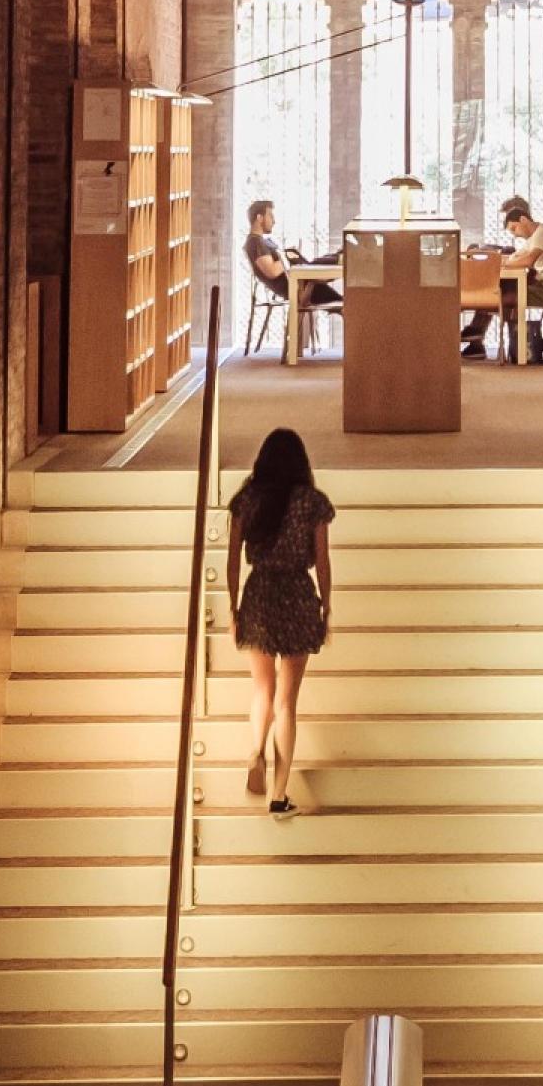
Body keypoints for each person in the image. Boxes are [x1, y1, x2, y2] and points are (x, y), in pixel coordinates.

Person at [226, 426, 334, 817]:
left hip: (258, 594)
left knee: (262, 692)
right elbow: (321, 561)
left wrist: (234, 606)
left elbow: (233, 560)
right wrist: (326, 606)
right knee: (287, 702)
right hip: (296, 596)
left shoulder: (247, 500)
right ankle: (279, 794)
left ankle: (256, 750)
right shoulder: (313, 503)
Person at [463, 194, 543, 354]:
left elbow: (527, 261)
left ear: (522, 218)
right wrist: (502, 259)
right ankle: (483, 339)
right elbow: (518, 256)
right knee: (497, 289)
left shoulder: (541, 235)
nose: (513, 233)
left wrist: (501, 262)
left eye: (512, 226)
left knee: (498, 294)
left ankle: (488, 340)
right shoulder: (536, 236)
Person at [242, 197, 339, 338]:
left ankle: (341, 258)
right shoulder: (255, 243)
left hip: (302, 279)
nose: (274, 221)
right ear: (259, 217)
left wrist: (289, 255)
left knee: (329, 260)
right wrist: (286, 256)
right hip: (300, 286)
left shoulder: (261, 242)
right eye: (271, 216)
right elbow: (272, 271)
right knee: (344, 297)